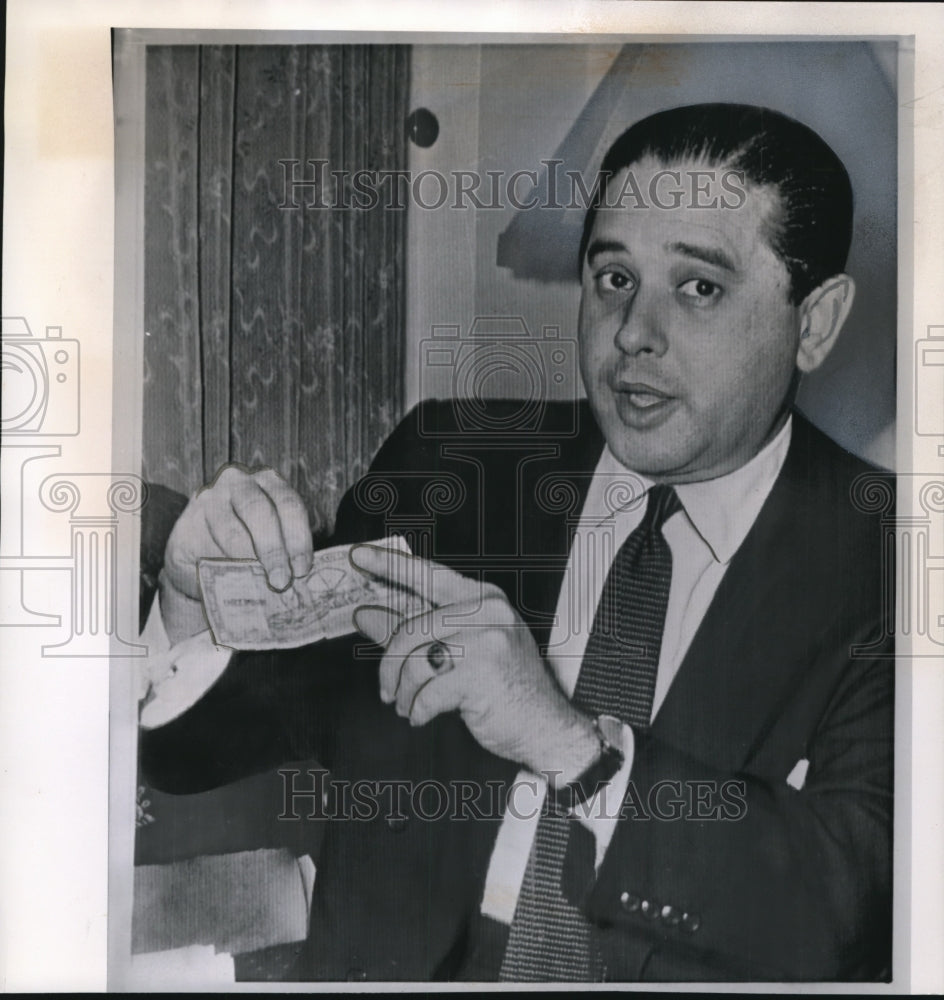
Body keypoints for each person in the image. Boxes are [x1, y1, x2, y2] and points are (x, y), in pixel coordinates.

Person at [139, 103, 893, 982]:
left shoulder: (888, 560)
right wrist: (192, 602)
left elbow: (851, 908)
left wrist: (572, 747)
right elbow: (209, 748)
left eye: (699, 288)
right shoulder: (450, 463)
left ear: (816, 322)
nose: (633, 335)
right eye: (614, 278)